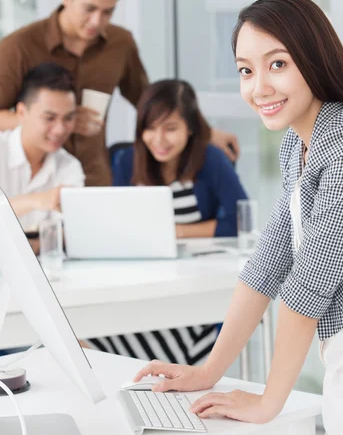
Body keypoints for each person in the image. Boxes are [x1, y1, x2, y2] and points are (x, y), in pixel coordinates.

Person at [133, 0, 343, 435]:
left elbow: (311, 281)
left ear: (315, 59)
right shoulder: (302, 141)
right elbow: (269, 261)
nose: (258, 88)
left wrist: (269, 401)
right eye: (246, 71)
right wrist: (208, 370)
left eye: (277, 64)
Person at [0, 0, 239, 186]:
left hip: (96, 176)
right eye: (89, 9)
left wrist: (205, 132)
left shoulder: (120, 43)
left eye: (107, 12)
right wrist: (62, 120)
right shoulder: (19, 46)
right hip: (34, 180)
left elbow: (149, 100)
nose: (97, 21)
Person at [85, 79, 247, 363]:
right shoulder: (126, 161)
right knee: (84, 334)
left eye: (170, 128)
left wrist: (174, 232)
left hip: (191, 294)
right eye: (150, 128)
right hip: (140, 289)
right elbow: (116, 227)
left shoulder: (211, 160)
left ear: (190, 128)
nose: (158, 140)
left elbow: (239, 221)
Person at [0, 62, 84, 248]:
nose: (60, 130)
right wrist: (37, 200)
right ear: (21, 113)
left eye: (68, 118)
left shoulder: (70, 166)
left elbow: (71, 235)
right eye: (49, 118)